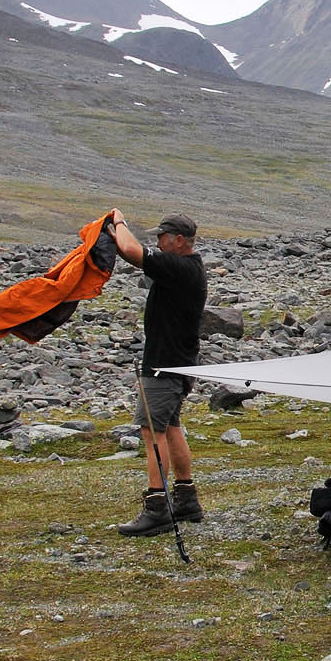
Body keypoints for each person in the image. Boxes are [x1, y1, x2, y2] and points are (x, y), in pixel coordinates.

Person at [107, 210, 207, 537]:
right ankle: (186, 498)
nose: (158, 242)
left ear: (179, 240)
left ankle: (157, 507)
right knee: (171, 427)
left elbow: (135, 252)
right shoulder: (187, 267)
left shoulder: (179, 267)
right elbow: (131, 252)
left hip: (164, 365)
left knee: (153, 432)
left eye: (162, 237)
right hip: (180, 363)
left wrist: (119, 223)